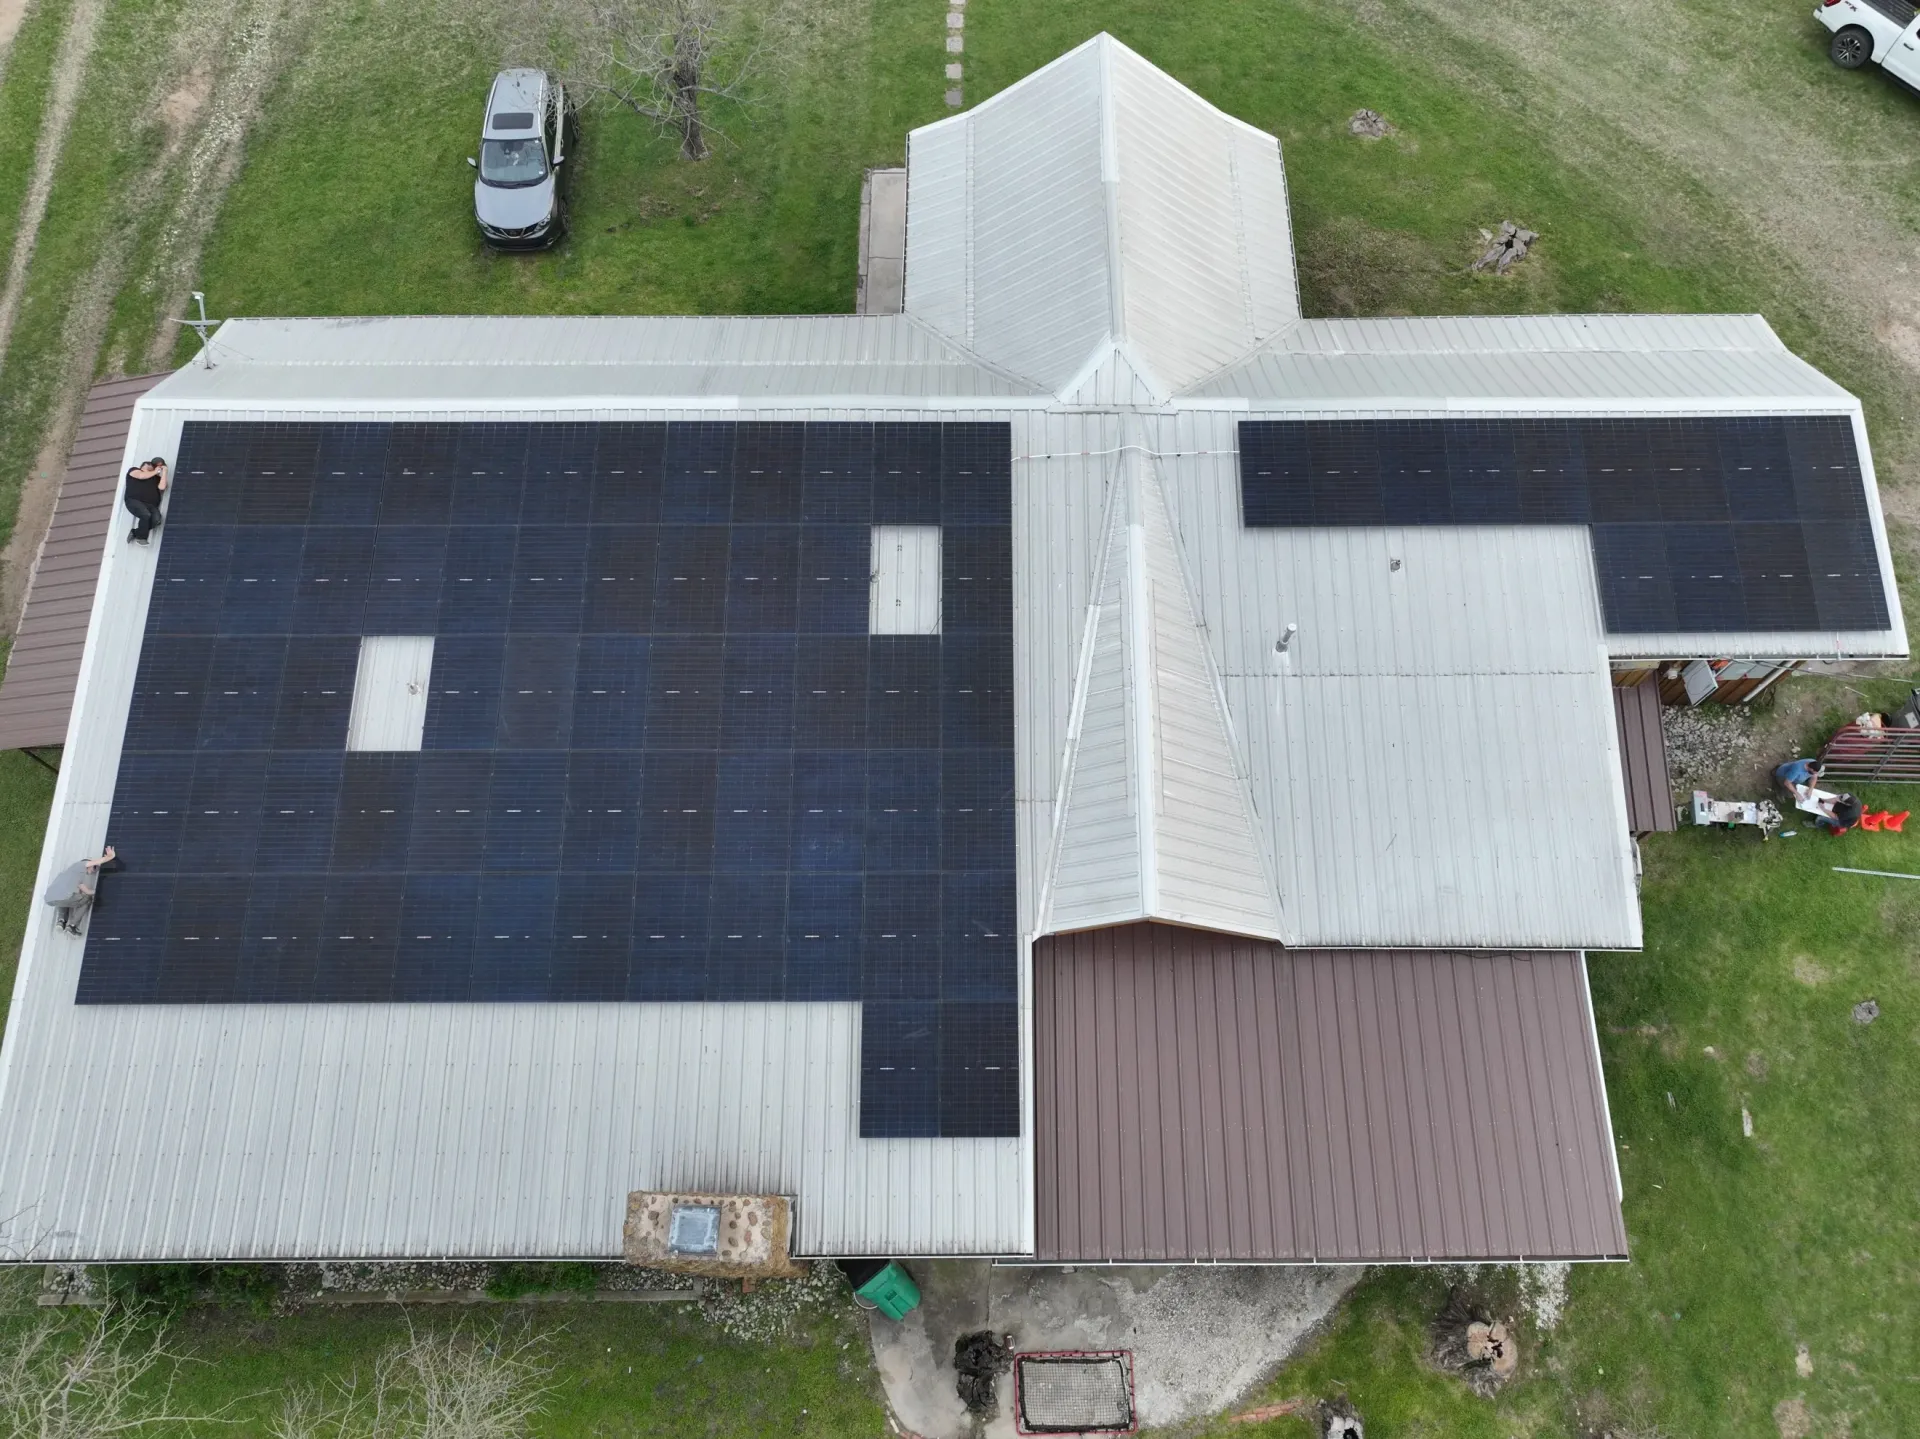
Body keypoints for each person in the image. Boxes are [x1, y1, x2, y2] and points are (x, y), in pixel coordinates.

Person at [43, 845, 119, 935]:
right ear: (88, 864)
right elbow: (95, 863)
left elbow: (87, 891)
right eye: (94, 867)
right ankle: (72, 926)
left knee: (65, 897)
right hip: (63, 896)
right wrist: (110, 857)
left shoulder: (70, 874)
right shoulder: (81, 865)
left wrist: (99, 891)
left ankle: (61, 920)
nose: (95, 870)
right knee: (86, 900)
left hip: (49, 899)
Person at [124, 456, 168, 545]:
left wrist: (164, 472)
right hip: (134, 500)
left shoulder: (156, 478)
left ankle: (136, 532)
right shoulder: (134, 470)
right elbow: (141, 476)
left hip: (151, 505)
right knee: (145, 514)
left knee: (156, 520)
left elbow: (162, 487)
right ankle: (141, 538)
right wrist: (156, 471)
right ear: (146, 465)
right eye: (154, 466)